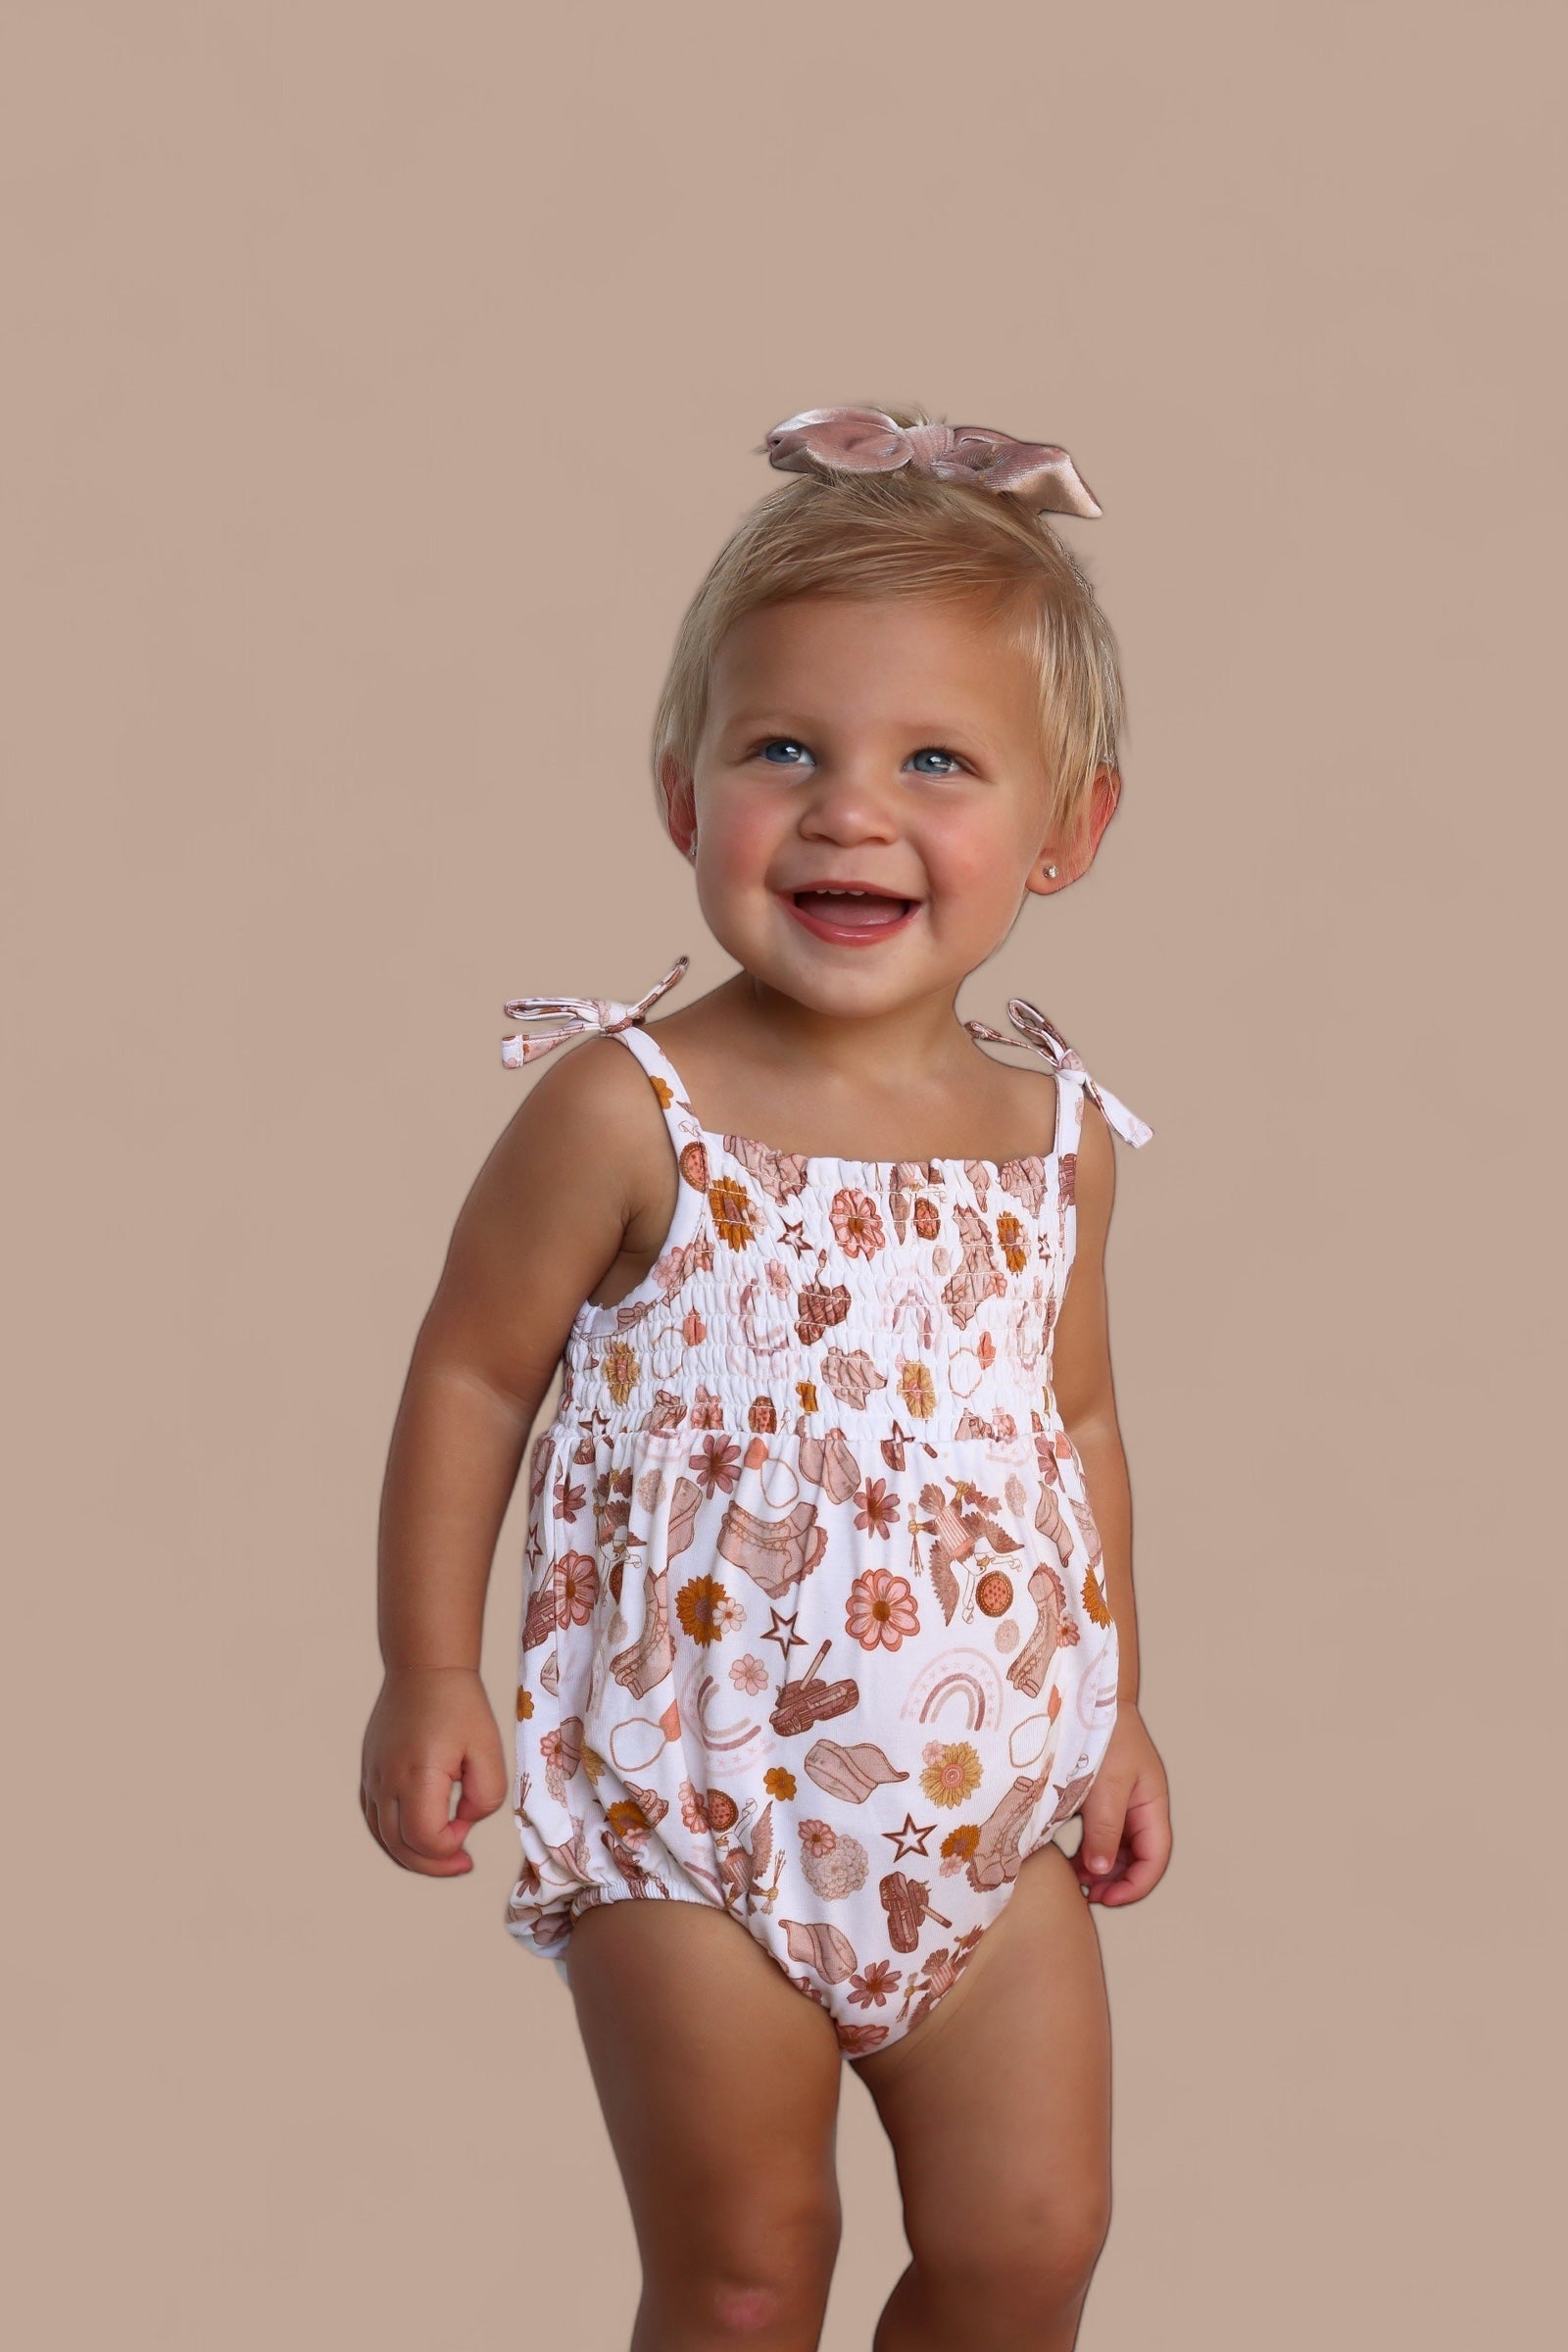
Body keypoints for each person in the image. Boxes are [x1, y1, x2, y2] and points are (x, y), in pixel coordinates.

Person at [361, 401, 1173, 2350]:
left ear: (1066, 829)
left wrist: (1121, 1711)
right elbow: (469, 1379)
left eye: (935, 761)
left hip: (992, 1810)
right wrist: (429, 1666)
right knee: (743, 2276)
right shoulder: (624, 1108)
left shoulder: (1056, 1138)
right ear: (682, 794)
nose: (847, 813)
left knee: (1029, 2245)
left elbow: (1069, 1427)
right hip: (691, 1806)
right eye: (783, 750)